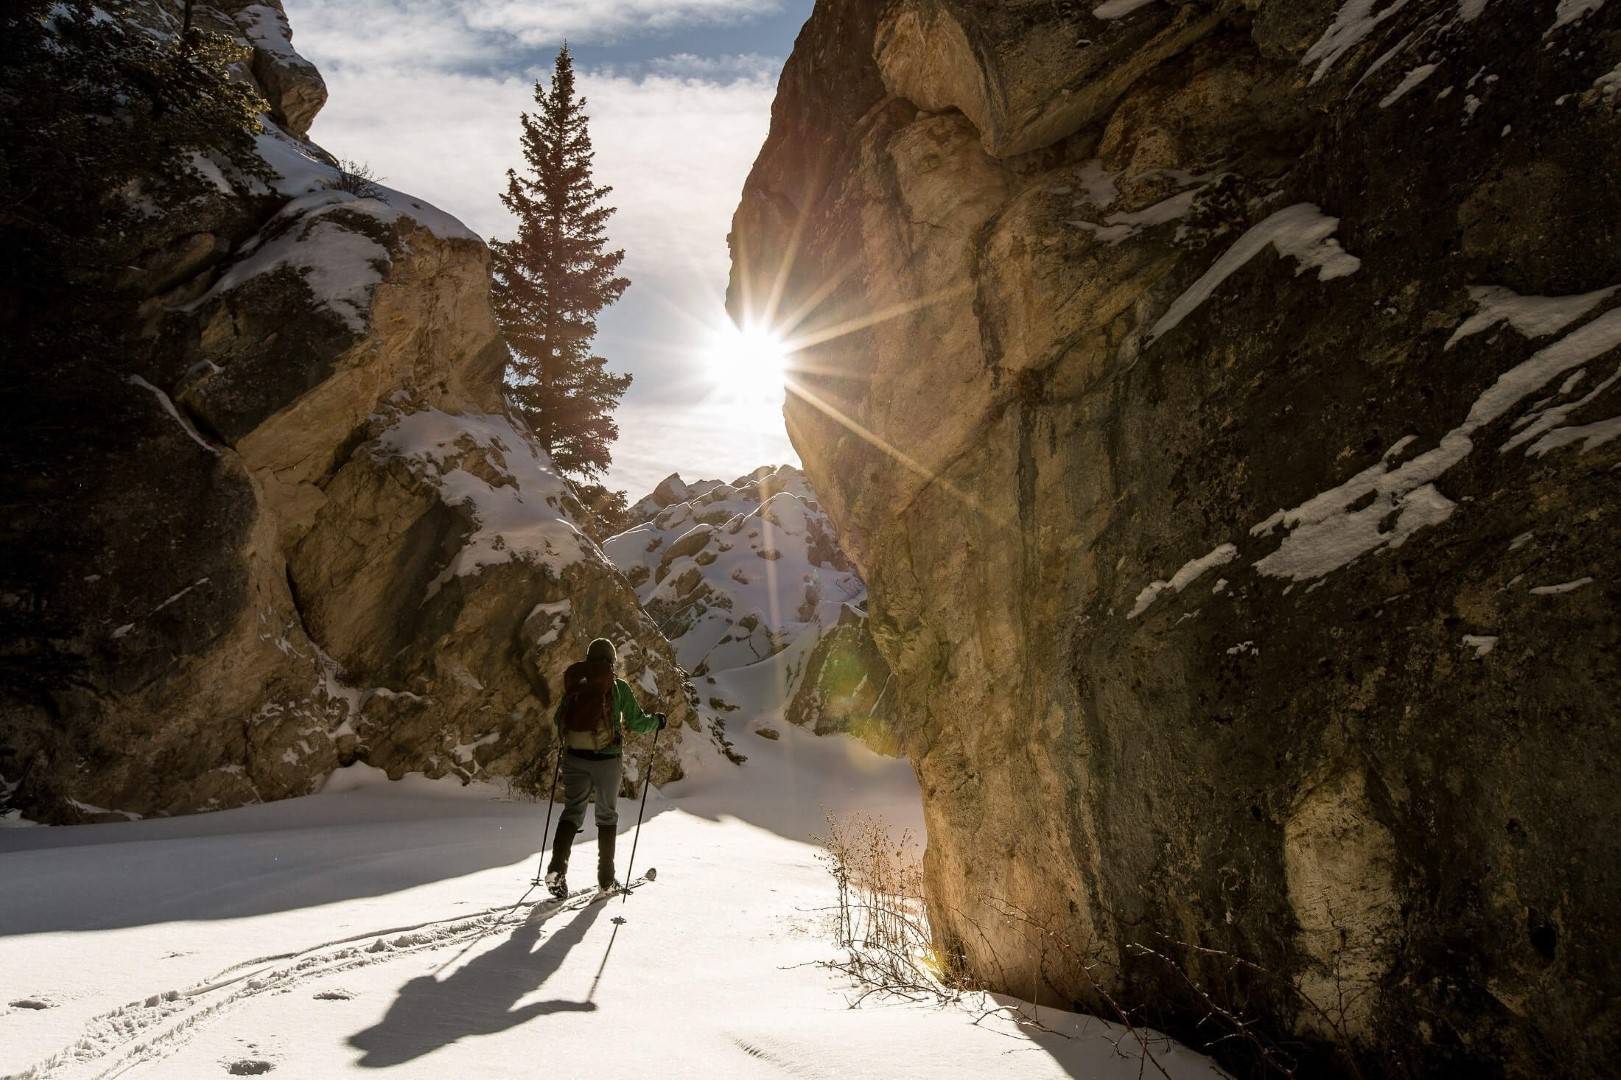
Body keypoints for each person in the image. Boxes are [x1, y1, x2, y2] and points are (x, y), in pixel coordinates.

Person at [544, 637, 666, 898]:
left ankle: (557, 867)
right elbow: (637, 722)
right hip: (608, 761)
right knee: (606, 816)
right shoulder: (618, 687)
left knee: (572, 812)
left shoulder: (576, 684)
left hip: (575, 757)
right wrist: (656, 722)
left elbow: (558, 719)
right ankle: (606, 880)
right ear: (612, 661)